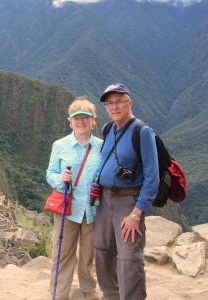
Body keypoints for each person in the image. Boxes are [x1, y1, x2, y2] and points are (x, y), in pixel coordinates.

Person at [94, 83, 159, 300]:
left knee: (129, 257)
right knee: (102, 250)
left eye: (119, 101)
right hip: (105, 198)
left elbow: (152, 177)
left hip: (128, 201)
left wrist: (136, 213)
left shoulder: (142, 132)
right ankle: (111, 295)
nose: (114, 107)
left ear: (129, 103)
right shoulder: (107, 129)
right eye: (109, 103)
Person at [46, 97, 102, 300]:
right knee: (63, 252)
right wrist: (60, 179)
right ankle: (59, 292)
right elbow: (50, 173)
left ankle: (88, 288)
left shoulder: (101, 147)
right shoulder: (60, 145)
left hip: (92, 209)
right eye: (76, 118)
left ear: (93, 121)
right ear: (70, 121)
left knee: (88, 253)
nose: (81, 122)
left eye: (85, 118)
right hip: (67, 208)